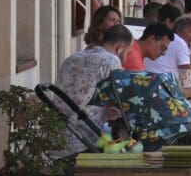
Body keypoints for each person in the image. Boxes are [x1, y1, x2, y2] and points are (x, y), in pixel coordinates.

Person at [56, 24, 133, 154]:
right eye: (127, 53)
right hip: (85, 138)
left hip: (56, 133)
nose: (125, 59)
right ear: (120, 48)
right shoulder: (111, 60)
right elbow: (121, 104)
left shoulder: (71, 58)